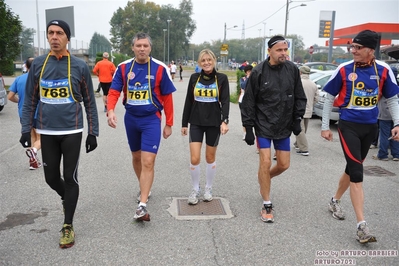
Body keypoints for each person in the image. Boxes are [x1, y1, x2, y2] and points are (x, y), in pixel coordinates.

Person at [19, 20, 99, 249]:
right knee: (51, 177)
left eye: (59, 33)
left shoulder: (79, 66)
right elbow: (30, 100)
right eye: (50, 33)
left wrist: (93, 133)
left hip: (72, 130)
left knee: (70, 176)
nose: (54, 37)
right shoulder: (38, 64)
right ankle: (67, 197)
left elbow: (90, 103)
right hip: (46, 131)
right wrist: (26, 128)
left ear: (67, 38)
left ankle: (67, 225)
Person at [321, 30, 399, 244]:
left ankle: (334, 200)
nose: (353, 51)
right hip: (349, 126)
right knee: (357, 172)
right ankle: (361, 227)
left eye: (357, 48)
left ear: (370, 50)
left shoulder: (384, 70)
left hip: (370, 127)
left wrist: (398, 123)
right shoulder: (344, 69)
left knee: (351, 168)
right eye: (351, 47)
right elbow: (329, 98)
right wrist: (326, 126)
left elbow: (392, 99)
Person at [107, 32, 176, 221]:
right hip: (131, 119)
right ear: (133, 47)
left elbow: (168, 98)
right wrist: (110, 110)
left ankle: (142, 204)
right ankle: (144, 186)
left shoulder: (160, 68)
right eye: (139, 46)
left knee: (148, 161)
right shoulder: (123, 68)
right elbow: (113, 91)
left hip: (151, 120)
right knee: (136, 157)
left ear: (150, 48)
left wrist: (169, 123)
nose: (142, 49)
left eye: (145, 45)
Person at [240, 35, 307, 223]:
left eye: (285, 50)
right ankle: (267, 204)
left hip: (284, 125)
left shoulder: (292, 69)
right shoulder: (259, 71)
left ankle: (264, 178)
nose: (283, 53)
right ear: (269, 51)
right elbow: (249, 101)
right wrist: (249, 128)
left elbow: (300, 96)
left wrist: (297, 119)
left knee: (284, 164)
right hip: (263, 124)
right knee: (266, 160)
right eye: (279, 50)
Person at [181, 49, 230, 205]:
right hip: (196, 122)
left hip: (213, 123)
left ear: (214, 60)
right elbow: (189, 101)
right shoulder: (195, 78)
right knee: (195, 158)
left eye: (209, 60)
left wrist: (225, 121)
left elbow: (226, 101)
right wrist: (184, 123)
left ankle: (208, 188)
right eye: (203, 60)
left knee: (210, 157)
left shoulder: (221, 78)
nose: (206, 63)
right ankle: (195, 189)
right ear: (199, 63)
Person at [8, 57, 42, 170]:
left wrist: (19, 100)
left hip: (24, 112)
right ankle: (33, 151)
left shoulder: (19, 79)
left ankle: (32, 161)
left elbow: (10, 96)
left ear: (26, 66)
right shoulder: (40, 79)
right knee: (42, 138)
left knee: (32, 136)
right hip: (39, 112)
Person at [372, 65, 399, 161]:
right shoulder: (397, 84)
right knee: (396, 134)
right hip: (397, 115)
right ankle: (396, 155)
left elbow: (377, 97)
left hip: (385, 114)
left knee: (384, 134)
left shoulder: (385, 84)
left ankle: (383, 154)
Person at [294, 65, 318, 156]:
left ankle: (304, 149)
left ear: (300, 72)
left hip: (299, 109)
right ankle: (297, 144)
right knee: (304, 128)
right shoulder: (313, 84)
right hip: (309, 109)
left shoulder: (298, 83)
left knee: (300, 129)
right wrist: (311, 104)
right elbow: (317, 98)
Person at [239, 64, 253, 141]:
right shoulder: (243, 79)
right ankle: (245, 132)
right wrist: (248, 78)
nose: (250, 73)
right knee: (244, 116)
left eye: (251, 71)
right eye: (248, 71)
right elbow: (243, 86)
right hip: (243, 100)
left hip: (252, 101)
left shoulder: (255, 79)